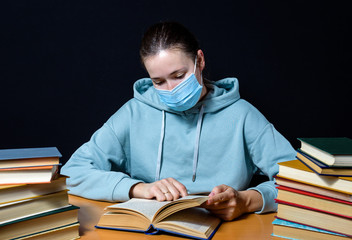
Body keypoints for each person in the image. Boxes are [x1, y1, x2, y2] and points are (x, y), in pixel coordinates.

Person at [61, 21, 296, 221]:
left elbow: (300, 184)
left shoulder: (243, 115)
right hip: (148, 229)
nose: (171, 89)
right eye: (158, 81)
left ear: (200, 61)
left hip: (227, 229)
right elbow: (72, 173)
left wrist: (248, 201)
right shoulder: (133, 113)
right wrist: (137, 188)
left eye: (178, 76)